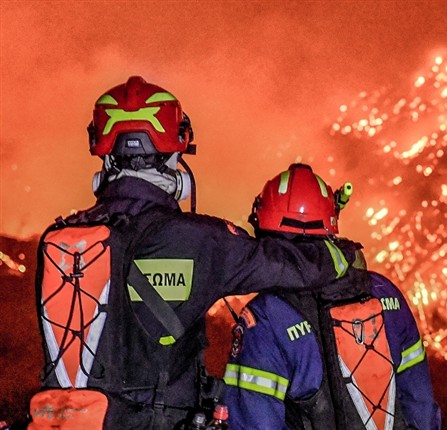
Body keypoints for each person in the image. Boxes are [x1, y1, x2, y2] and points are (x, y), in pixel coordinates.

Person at [32, 77, 361, 429]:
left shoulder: (59, 238)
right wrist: (344, 255)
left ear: (103, 152)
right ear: (175, 153)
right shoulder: (196, 239)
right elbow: (295, 268)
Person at [223, 164, 441, 429]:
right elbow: (422, 408)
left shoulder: (266, 317)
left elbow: (252, 420)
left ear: (264, 225)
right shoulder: (386, 293)